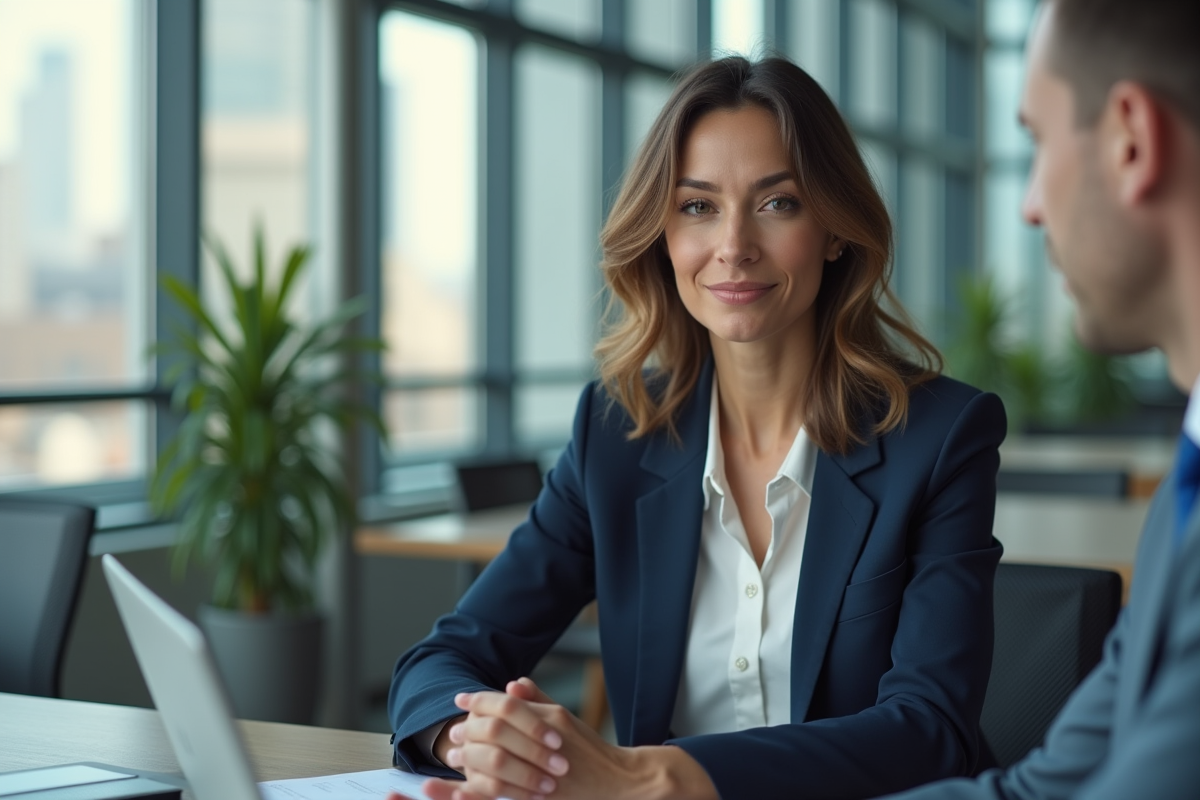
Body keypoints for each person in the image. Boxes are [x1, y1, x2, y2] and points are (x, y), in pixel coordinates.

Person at [387, 55, 1006, 800]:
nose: (734, 244)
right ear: (663, 237)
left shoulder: (940, 438)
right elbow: (446, 657)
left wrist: (659, 777)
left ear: (836, 230)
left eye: (777, 204)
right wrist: (480, 741)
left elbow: (930, 730)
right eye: (697, 207)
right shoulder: (614, 436)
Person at [881, 1, 1200, 799]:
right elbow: (1043, 790)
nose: (1028, 204)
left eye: (1037, 140)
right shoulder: (1181, 503)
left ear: (1131, 138)